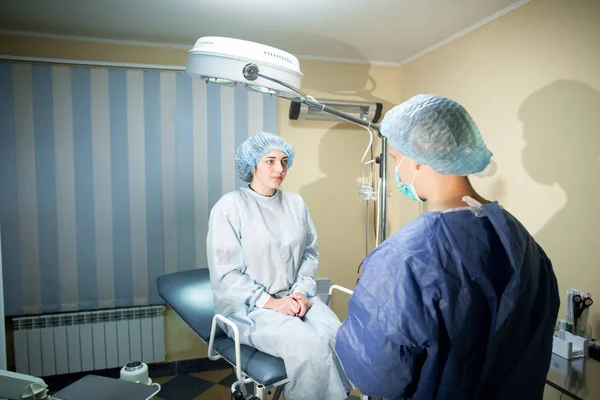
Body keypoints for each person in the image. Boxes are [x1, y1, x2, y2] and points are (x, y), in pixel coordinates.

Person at [335, 94, 560, 400]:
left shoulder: (407, 257)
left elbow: (376, 375)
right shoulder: (523, 243)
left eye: (395, 159)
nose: (398, 170)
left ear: (416, 158)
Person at [206, 131, 352, 400]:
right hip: (251, 308)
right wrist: (272, 303)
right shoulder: (230, 207)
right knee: (308, 346)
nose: (280, 169)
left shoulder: (295, 204)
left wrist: (300, 293)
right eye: (270, 161)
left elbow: (309, 254)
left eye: (284, 161)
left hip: (296, 298)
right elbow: (226, 272)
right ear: (252, 165)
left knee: (338, 336)